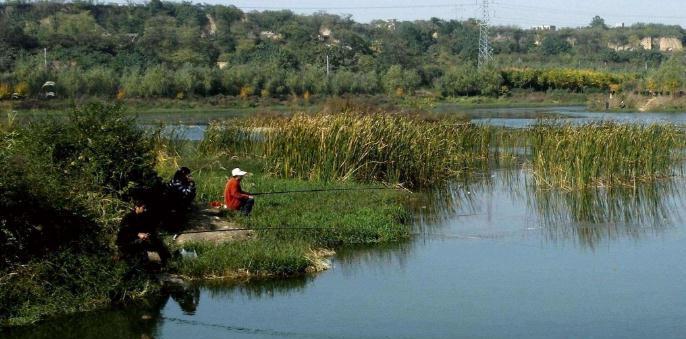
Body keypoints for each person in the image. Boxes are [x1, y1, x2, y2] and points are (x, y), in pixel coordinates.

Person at [117, 200, 171, 266]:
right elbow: (124, 231)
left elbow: (149, 228)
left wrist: (148, 234)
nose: (145, 210)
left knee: (157, 241)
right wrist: (138, 234)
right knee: (141, 243)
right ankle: (143, 266)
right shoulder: (128, 217)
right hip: (127, 242)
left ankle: (168, 263)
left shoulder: (143, 217)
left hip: (140, 239)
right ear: (137, 207)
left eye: (145, 208)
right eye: (143, 208)